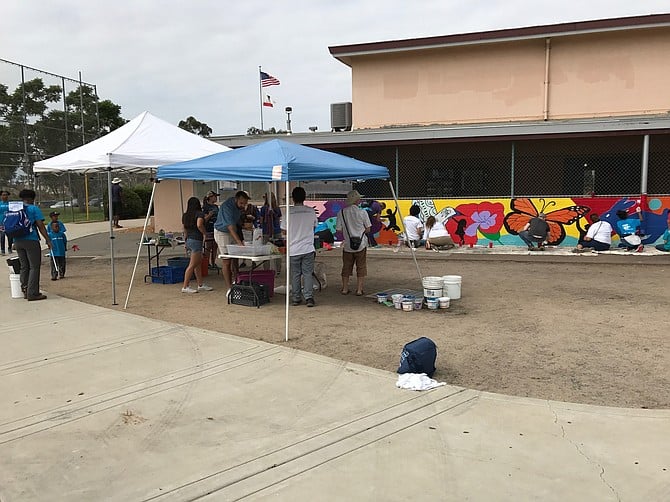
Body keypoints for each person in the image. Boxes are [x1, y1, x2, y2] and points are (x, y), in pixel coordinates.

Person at [281, 186, 318, 307]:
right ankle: (309, 298)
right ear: (305, 197)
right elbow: (314, 227)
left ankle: (296, 298)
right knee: (307, 273)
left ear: (292, 198)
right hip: (307, 247)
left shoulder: (288, 212)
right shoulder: (311, 211)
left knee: (295, 274)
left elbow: (284, 231)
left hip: (293, 249)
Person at [13, 188, 52, 301]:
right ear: (31, 198)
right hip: (31, 240)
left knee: (24, 266)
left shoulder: (15, 208)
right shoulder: (33, 208)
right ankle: (33, 293)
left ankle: (25, 289)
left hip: (17, 240)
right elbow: (40, 225)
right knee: (34, 267)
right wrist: (48, 239)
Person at [336, 189, 371, 296]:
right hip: (361, 244)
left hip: (348, 245)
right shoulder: (362, 212)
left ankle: (345, 288)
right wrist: (360, 232)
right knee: (361, 266)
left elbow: (338, 229)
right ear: (357, 200)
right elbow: (368, 228)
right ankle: (359, 290)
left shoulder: (341, 212)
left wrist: (348, 233)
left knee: (346, 266)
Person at [214, 190, 249, 290]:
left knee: (235, 257)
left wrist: (241, 236)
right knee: (226, 260)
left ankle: (237, 280)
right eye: (241, 203)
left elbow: (236, 224)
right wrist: (238, 242)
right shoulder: (227, 206)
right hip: (222, 232)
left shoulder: (238, 208)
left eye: (245, 204)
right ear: (236, 199)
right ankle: (229, 287)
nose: (243, 205)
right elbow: (230, 227)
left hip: (232, 230)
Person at [180, 197, 213, 294]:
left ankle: (200, 284)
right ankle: (185, 286)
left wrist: (185, 242)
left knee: (197, 263)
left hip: (189, 239)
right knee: (192, 265)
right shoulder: (199, 214)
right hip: (196, 240)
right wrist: (204, 233)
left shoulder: (185, 215)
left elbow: (184, 229)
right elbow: (199, 225)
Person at [260, 192, 282, 274]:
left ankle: (266, 269)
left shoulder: (263, 209)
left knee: (266, 251)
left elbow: (261, 220)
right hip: (277, 231)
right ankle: (278, 269)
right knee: (277, 251)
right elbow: (279, 219)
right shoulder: (277, 208)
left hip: (266, 231)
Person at [202, 191, 220, 270]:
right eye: (214, 196)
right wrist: (210, 215)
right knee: (208, 246)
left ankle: (213, 262)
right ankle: (207, 263)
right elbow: (203, 219)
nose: (216, 198)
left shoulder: (216, 206)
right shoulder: (205, 207)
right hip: (208, 228)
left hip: (216, 228)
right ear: (210, 197)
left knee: (215, 246)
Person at [47, 211, 67, 280]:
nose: (56, 217)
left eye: (57, 216)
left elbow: (64, 239)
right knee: (53, 264)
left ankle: (62, 274)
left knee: (62, 263)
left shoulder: (61, 231)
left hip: (61, 250)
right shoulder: (49, 227)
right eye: (54, 216)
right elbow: (48, 238)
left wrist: (65, 247)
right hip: (54, 251)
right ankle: (54, 275)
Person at [0, 190, 11, 254]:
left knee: (10, 236)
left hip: (9, 222)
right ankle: (2, 250)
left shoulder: (10, 204)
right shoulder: (0, 204)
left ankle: (9, 247)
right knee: (2, 236)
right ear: (1, 196)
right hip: (1, 223)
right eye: (3, 195)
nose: (5, 196)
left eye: (6, 195)